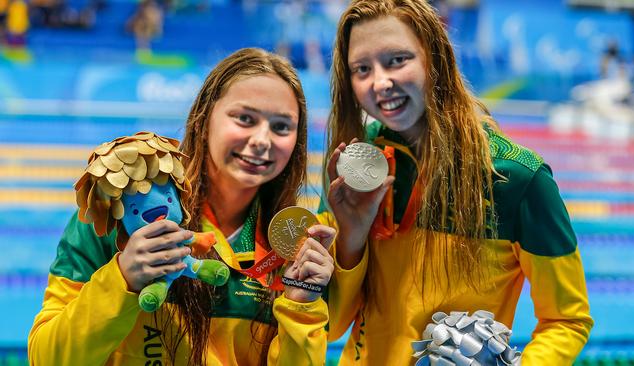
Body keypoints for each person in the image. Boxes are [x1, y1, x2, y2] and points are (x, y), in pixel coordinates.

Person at [321, 1, 593, 365]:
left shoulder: (517, 178)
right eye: (362, 69)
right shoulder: (356, 169)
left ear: (436, 58)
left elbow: (567, 319)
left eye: (398, 60)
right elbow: (330, 325)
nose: (380, 82)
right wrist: (351, 240)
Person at [28, 47, 336, 366]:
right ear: (205, 118)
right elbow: (47, 358)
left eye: (282, 127)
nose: (263, 139)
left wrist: (301, 304)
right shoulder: (118, 213)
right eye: (245, 118)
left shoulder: (291, 249)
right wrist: (122, 279)